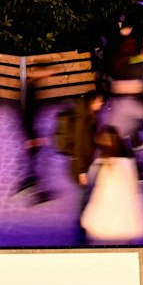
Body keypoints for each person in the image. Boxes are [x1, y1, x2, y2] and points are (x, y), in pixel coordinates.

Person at [79, 126, 143, 243]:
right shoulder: (128, 163)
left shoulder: (99, 165)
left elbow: (90, 194)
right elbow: (134, 192)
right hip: (125, 224)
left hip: (102, 224)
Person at [56, 90, 104, 239]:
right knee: (85, 193)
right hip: (80, 166)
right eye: (99, 101)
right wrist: (82, 171)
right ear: (91, 102)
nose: (102, 104)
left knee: (88, 192)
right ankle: (83, 222)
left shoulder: (89, 115)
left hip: (86, 162)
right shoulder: (82, 121)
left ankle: (86, 218)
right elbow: (78, 147)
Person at [16, 77, 51, 202]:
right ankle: (36, 191)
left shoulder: (30, 87)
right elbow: (25, 115)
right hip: (31, 131)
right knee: (38, 161)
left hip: (31, 130)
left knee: (33, 160)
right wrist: (32, 138)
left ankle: (29, 182)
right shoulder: (29, 90)